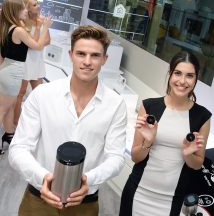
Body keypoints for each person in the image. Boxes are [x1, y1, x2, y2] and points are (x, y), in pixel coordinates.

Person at [8, 25, 127, 216]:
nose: (87, 61)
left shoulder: (115, 104)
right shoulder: (42, 95)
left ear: (105, 59)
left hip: (85, 204)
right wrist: (44, 178)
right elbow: (18, 148)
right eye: (81, 54)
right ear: (71, 55)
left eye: (95, 55)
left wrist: (88, 180)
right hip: (38, 199)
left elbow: (116, 157)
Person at [120, 51, 212, 216]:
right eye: (178, 73)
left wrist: (187, 154)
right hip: (138, 193)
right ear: (170, 75)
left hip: (173, 201)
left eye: (189, 75)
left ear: (196, 79)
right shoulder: (149, 107)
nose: (182, 81)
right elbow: (135, 157)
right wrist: (148, 142)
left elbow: (197, 164)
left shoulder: (202, 117)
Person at [0, 0, 52, 152]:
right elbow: (37, 46)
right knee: (3, 109)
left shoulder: (8, 27)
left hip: (8, 71)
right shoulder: (19, 30)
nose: (26, 11)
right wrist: (46, 26)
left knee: (8, 108)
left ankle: (9, 135)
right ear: (16, 11)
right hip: (13, 73)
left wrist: (39, 27)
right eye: (23, 8)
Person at [13, 0, 48, 125]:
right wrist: (39, 30)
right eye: (34, 5)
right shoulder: (22, 22)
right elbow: (32, 44)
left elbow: (47, 40)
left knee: (40, 94)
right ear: (27, 8)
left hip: (37, 61)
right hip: (25, 61)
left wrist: (38, 41)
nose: (38, 6)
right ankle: (15, 123)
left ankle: (39, 123)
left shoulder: (41, 20)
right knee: (20, 94)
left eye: (37, 4)